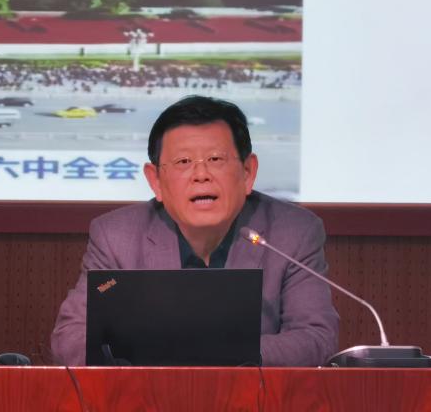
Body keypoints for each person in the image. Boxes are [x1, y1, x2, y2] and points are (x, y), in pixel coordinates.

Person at [50, 95, 339, 366]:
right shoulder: (116, 236)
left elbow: (315, 337)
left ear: (248, 172)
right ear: (155, 181)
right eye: (183, 162)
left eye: (216, 159)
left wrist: (208, 352)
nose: (201, 175)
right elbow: (70, 339)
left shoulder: (292, 233)